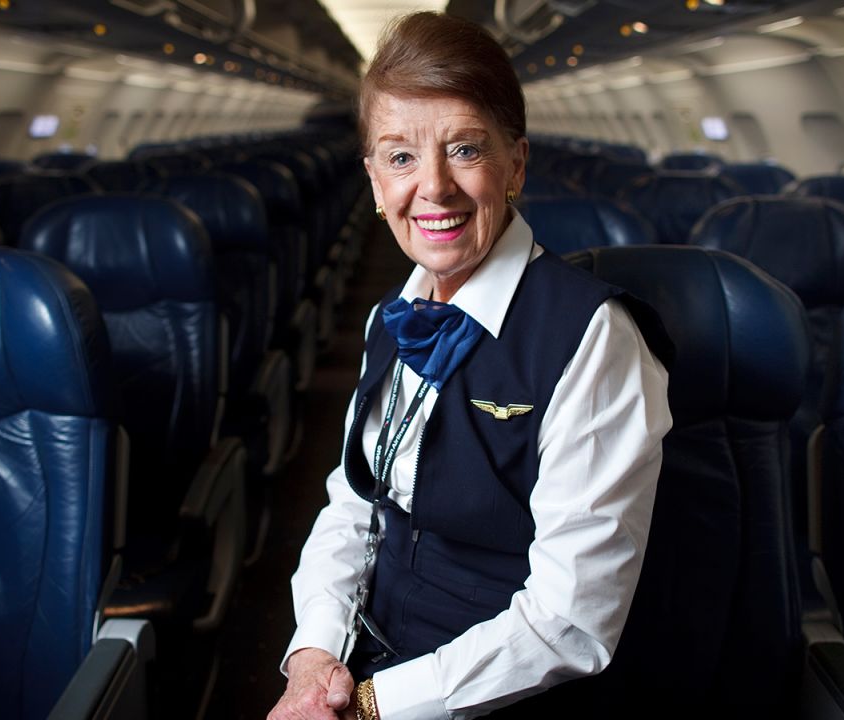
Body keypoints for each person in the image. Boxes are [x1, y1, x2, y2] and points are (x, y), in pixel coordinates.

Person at [269, 11, 672, 720]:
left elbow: (569, 621)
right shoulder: (392, 316)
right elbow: (357, 504)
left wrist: (368, 704)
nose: (433, 188)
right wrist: (313, 659)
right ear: (371, 180)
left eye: (463, 150)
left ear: (516, 164)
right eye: (400, 157)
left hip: (503, 696)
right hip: (369, 665)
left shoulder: (594, 340)